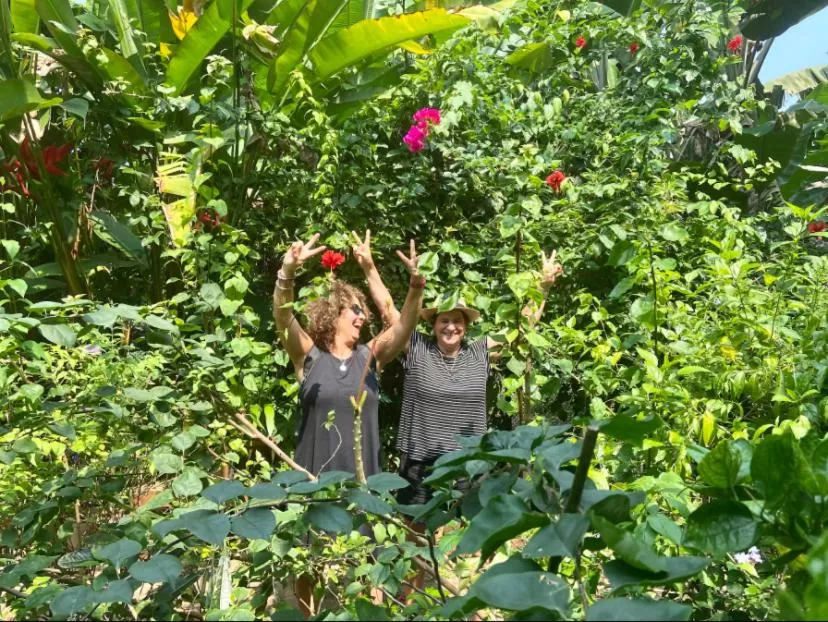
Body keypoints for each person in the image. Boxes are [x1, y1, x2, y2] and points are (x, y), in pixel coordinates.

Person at [391, 250, 564, 596]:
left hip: (468, 464)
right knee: (414, 539)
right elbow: (389, 312)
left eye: (457, 321)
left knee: (465, 537)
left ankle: (464, 602)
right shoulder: (416, 347)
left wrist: (542, 286)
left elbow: (521, 329)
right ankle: (408, 605)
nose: (450, 326)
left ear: (466, 326)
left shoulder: (478, 352)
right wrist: (372, 268)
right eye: (443, 320)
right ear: (433, 324)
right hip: (420, 461)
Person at [272, 232, 425, 616]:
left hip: (361, 484)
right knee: (308, 571)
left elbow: (404, 326)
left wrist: (415, 287)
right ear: (334, 316)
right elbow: (281, 314)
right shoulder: (308, 356)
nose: (362, 316)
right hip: (314, 485)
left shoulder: (370, 356)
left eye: (363, 310)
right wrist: (288, 271)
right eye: (354, 310)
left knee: (362, 576)